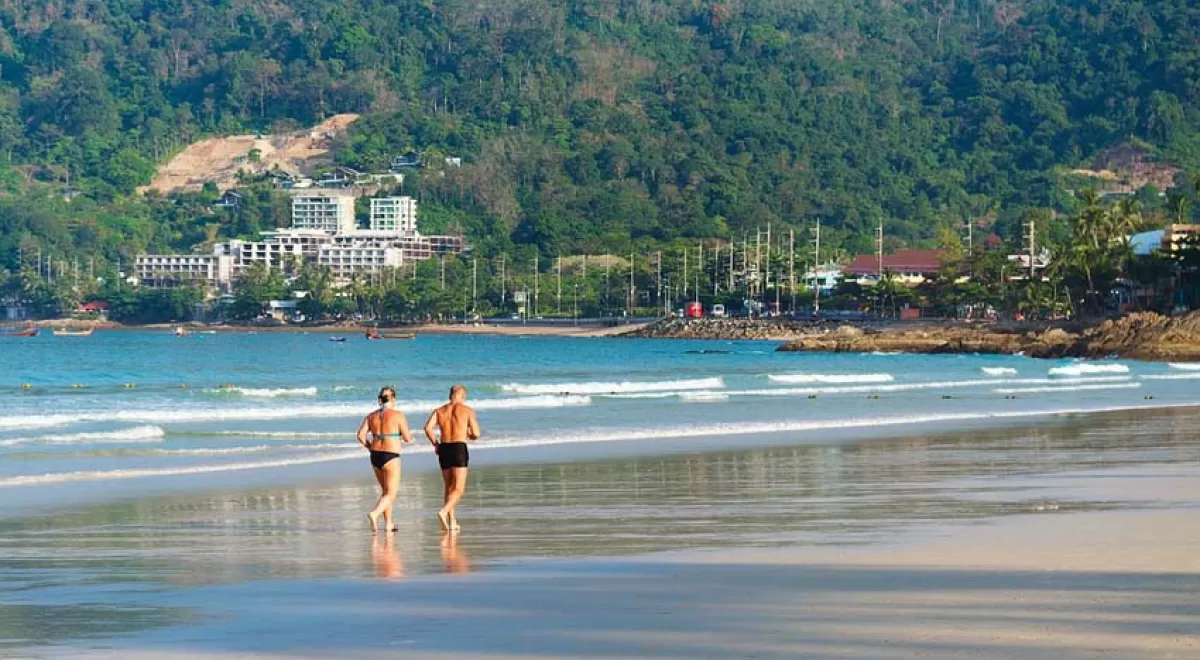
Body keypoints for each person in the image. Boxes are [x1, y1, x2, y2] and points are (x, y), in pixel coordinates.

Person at [424, 385, 481, 533]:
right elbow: (476, 433)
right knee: (459, 489)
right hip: (458, 448)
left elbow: (428, 428)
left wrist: (436, 444)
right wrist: (470, 435)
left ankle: (452, 521)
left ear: (450, 395)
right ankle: (443, 512)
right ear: (463, 397)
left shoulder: (439, 411)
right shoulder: (467, 410)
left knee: (448, 487)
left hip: (444, 448)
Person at [356, 386, 412, 533]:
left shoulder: (371, 416)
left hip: (375, 455)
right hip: (390, 454)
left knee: (385, 491)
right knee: (391, 493)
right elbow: (407, 438)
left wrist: (369, 446)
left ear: (379, 400)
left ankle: (389, 524)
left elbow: (360, 436)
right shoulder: (398, 415)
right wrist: (410, 438)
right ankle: (374, 514)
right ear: (393, 399)